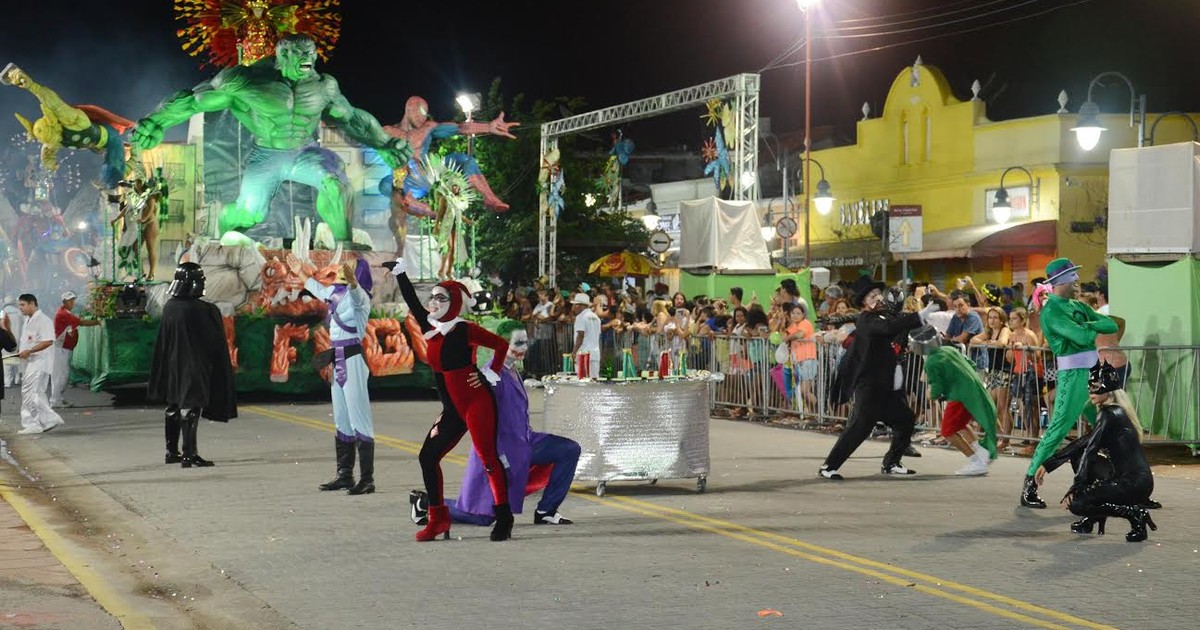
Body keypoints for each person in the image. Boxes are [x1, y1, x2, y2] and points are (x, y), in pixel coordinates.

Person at [131, 35, 412, 243]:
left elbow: (350, 118)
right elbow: (194, 100)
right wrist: (156, 121)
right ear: (282, 56)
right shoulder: (246, 81)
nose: (308, 61)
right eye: (300, 55)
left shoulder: (323, 86)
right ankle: (224, 226)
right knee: (249, 214)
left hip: (306, 152)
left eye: (311, 54)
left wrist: (384, 143)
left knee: (336, 183)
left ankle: (344, 249)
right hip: (267, 156)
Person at [386, 258, 514, 542]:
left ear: (453, 302)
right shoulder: (431, 330)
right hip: (452, 409)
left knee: (488, 459)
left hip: (476, 403)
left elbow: (500, 345)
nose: (433, 302)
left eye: (440, 298)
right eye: (432, 297)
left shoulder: (465, 329)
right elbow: (412, 302)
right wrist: (400, 272)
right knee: (428, 457)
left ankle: (504, 517)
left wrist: (488, 373)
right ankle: (438, 520)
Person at [412, 324, 581, 527]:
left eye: (525, 342)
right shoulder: (486, 377)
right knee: (481, 518)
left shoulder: (512, 371)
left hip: (525, 442)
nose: (524, 347)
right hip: (500, 451)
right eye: (517, 343)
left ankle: (546, 511)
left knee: (569, 450)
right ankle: (426, 502)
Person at [1020, 258, 1117, 508]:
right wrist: (1089, 327)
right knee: (1059, 429)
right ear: (1061, 281)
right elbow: (1082, 335)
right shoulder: (1051, 310)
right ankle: (1029, 483)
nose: (1077, 280)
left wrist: (1087, 324)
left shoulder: (1077, 305)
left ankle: (1115, 481)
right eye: (1073, 275)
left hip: (1092, 371)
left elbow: (1111, 324)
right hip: (1073, 375)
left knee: (1109, 424)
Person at [1035, 362, 1157, 542]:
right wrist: (1049, 463)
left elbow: (1090, 451)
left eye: (1095, 388)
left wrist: (1077, 488)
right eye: (1089, 387)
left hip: (1134, 483)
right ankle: (1093, 518)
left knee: (1078, 504)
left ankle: (1134, 514)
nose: (1090, 392)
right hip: (1131, 478)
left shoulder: (1110, 414)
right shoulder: (1113, 412)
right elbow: (1083, 443)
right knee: (1078, 457)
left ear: (1109, 391)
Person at [287, 254, 377, 495]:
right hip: (336, 358)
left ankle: (367, 479)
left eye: (350, 266)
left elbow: (357, 296)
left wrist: (354, 284)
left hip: (353, 359)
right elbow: (318, 289)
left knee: (360, 418)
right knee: (342, 419)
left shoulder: (361, 298)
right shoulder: (336, 293)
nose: (343, 267)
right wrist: (301, 272)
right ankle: (344, 475)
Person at [818, 276, 924, 479]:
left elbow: (893, 321)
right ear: (864, 301)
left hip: (885, 386)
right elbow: (889, 328)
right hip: (869, 385)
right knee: (859, 427)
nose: (877, 298)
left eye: (878, 294)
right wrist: (921, 315)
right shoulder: (868, 320)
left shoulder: (880, 315)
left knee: (905, 419)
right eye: (872, 296)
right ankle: (828, 466)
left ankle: (891, 463)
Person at [147, 264, 237, 466]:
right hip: (193, 365)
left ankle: (172, 451)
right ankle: (189, 453)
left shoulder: (170, 306)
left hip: (172, 365)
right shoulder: (204, 310)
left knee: (173, 405)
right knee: (191, 406)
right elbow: (213, 342)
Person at [909, 326, 997, 476]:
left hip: (959, 396)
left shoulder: (931, 362)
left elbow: (936, 387)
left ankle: (976, 461)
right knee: (961, 425)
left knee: (947, 431)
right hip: (972, 389)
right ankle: (981, 452)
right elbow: (971, 364)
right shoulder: (949, 350)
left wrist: (932, 394)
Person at [16, 294, 64, 435]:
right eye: (19, 305)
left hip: (39, 362)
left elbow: (48, 341)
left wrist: (29, 351)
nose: (20, 308)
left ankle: (35, 423)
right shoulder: (28, 320)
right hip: (30, 362)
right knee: (37, 393)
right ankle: (46, 420)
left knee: (30, 393)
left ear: (32, 304)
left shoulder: (43, 320)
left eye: (23, 305)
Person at [50, 292, 99, 408]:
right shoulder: (63, 314)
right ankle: (55, 401)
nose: (72, 302)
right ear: (64, 302)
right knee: (60, 375)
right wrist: (96, 322)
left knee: (62, 374)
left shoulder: (65, 312)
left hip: (64, 348)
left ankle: (59, 399)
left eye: (73, 300)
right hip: (60, 348)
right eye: (69, 301)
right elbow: (81, 322)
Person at [571, 292, 601, 379]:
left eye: (575, 305)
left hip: (583, 354)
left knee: (582, 380)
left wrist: (574, 351)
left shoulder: (581, 317)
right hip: (595, 353)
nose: (574, 307)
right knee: (594, 379)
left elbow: (580, 335)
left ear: (581, 305)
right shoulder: (596, 317)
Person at [2, 295, 23, 388]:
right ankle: (17, 378)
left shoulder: (2, 313)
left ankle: (7, 382)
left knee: (6, 360)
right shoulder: (19, 312)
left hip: (5, 338)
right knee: (16, 358)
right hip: (18, 338)